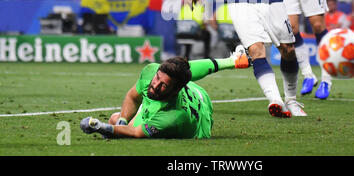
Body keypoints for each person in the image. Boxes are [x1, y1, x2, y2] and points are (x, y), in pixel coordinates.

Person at [80, 53, 250, 139]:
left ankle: (232, 61)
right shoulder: (152, 71)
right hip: (182, 93)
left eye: (163, 85)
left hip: (200, 116)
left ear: (175, 90)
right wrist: (122, 122)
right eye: (157, 78)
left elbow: (135, 133)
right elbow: (132, 97)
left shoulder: (173, 116)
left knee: (113, 121)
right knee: (182, 69)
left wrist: (101, 127)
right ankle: (233, 60)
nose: (155, 85)